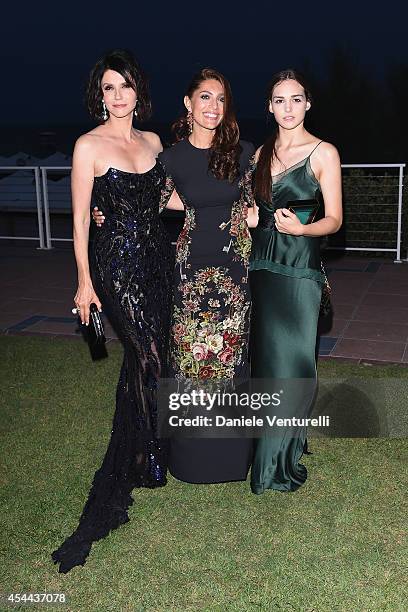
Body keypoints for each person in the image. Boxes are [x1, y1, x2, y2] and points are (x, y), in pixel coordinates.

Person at [94, 68, 256, 484]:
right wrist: (105, 213)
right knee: (189, 362)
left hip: (234, 275)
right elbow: (146, 204)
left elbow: (258, 206)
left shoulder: (244, 153)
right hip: (186, 274)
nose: (213, 107)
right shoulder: (170, 158)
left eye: (220, 99)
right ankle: (189, 461)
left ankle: (231, 460)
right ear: (188, 103)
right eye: (204, 97)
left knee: (231, 361)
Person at [51, 49, 177, 574]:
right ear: (98, 96)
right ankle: (147, 457)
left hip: (158, 262)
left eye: (125, 85)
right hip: (115, 268)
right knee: (146, 354)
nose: (118, 94)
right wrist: (84, 282)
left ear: (137, 91)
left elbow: (171, 199)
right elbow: (81, 218)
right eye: (108, 87)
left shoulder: (153, 142)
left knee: (155, 357)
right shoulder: (88, 147)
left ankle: (151, 446)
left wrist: (224, 194)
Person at [247, 69, 342, 494]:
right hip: (263, 268)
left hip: (301, 270)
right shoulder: (259, 155)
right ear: (269, 107)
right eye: (279, 100)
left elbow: (335, 220)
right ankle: (271, 457)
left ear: (308, 103)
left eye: (296, 99)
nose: (288, 107)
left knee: (297, 365)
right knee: (269, 367)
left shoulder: (324, 153)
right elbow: (253, 213)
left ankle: (282, 455)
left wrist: (303, 230)